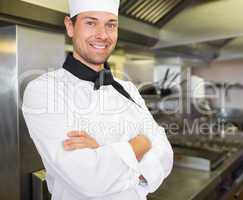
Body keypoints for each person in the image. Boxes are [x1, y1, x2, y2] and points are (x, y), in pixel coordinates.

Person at [22, 0, 173, 199]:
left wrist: (103, 150)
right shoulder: (44, 90)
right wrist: (140, 144)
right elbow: (88, 178)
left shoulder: (128, 89)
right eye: (91, 23)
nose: (102, 35)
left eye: (110, 24)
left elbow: (165, 153)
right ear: (70, 26)